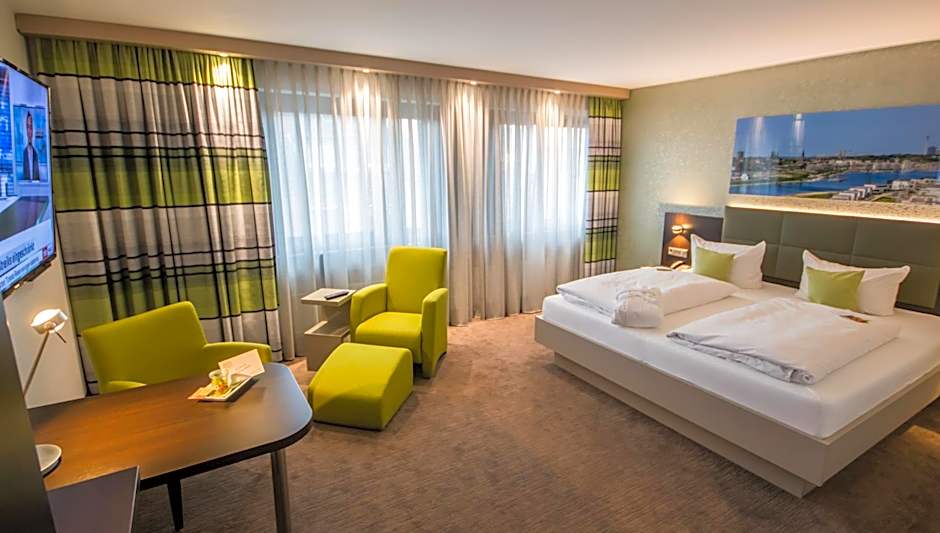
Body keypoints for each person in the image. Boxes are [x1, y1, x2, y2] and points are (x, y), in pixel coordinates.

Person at [22, 111, 40, 182]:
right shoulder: (24, 153)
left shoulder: (36, 153)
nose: (29, 131)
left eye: (31, 127)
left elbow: (37, 179)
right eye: (27, 127)